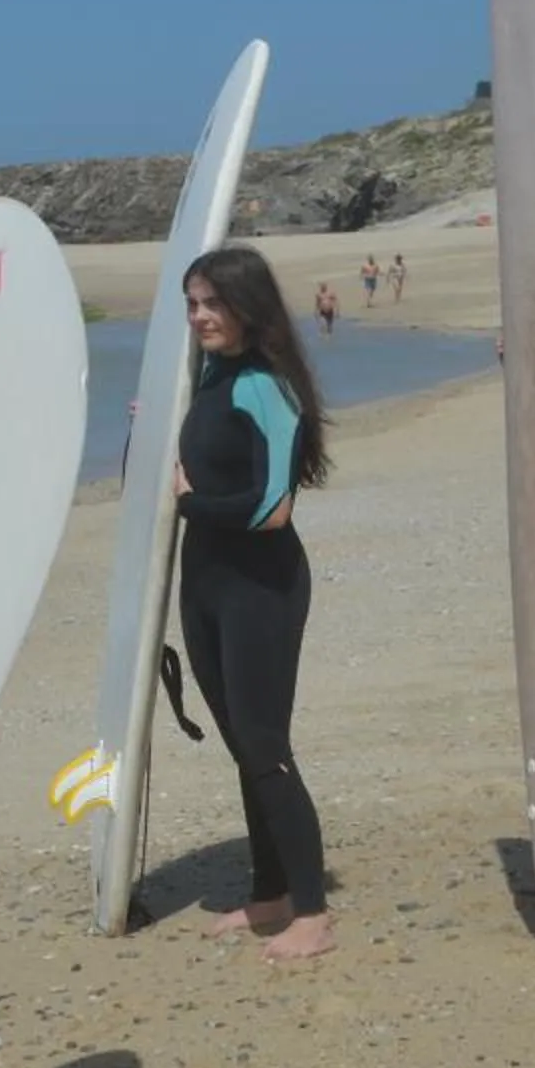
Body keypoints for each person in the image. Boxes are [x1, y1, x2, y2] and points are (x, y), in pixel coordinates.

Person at [172, 246, 337, 962]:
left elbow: (272, 508)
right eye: (193, 304)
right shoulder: (211, 375)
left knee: (266, 746)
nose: (202, 316)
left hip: (260, 586)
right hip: (206, 579)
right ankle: (267, 891)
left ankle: (311, 909)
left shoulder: (268, 386)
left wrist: (188, 503)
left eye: (214, 303)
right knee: (243, 746)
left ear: (248, 306)